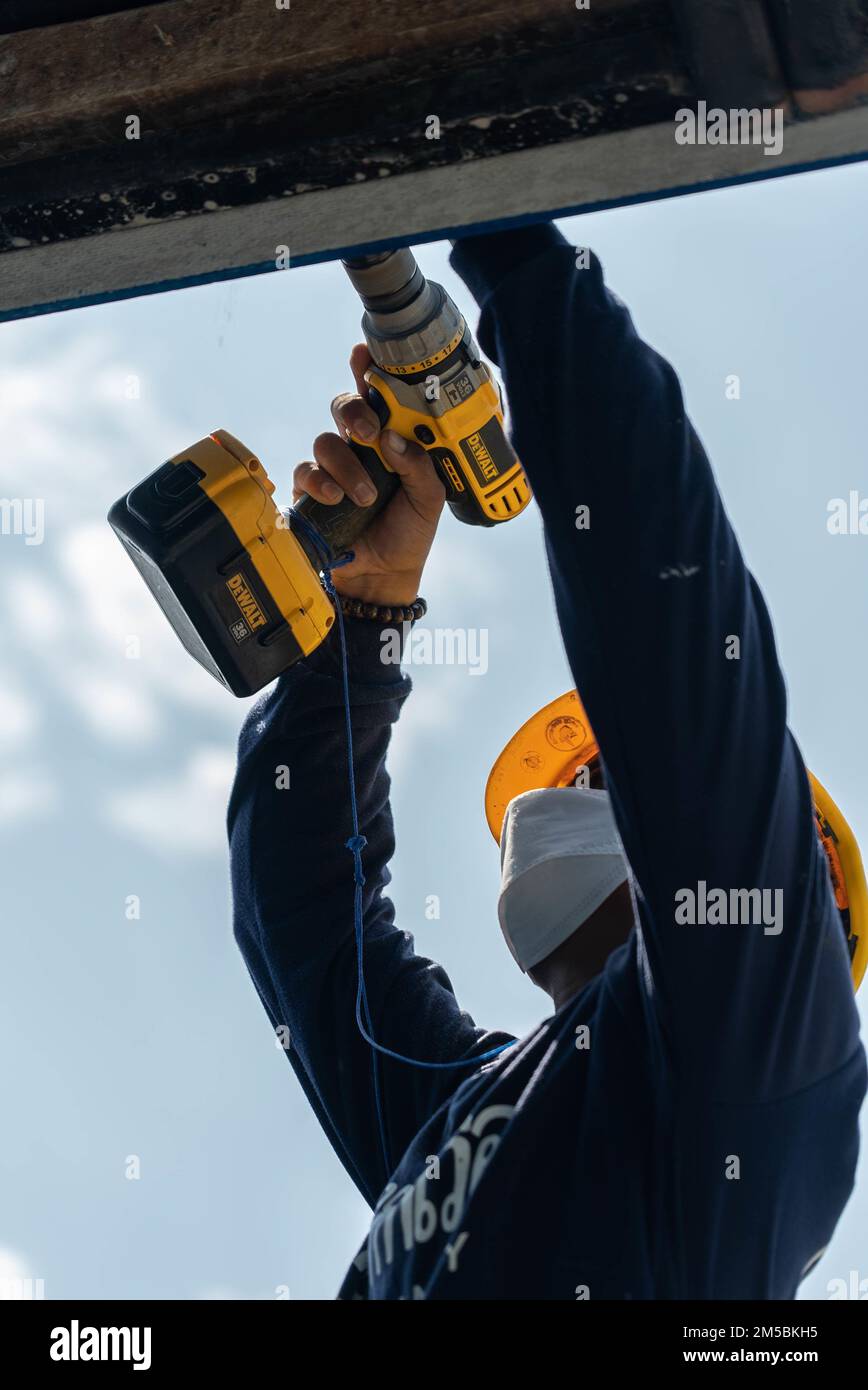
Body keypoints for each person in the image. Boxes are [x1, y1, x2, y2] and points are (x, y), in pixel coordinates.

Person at [228, 223, 866, 1299]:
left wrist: (519, 248)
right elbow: (299, 911)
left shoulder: (760, 1070)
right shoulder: (477, 1108)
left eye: (601, 772)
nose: (563, 785)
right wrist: (368, 613)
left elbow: (671, 642)